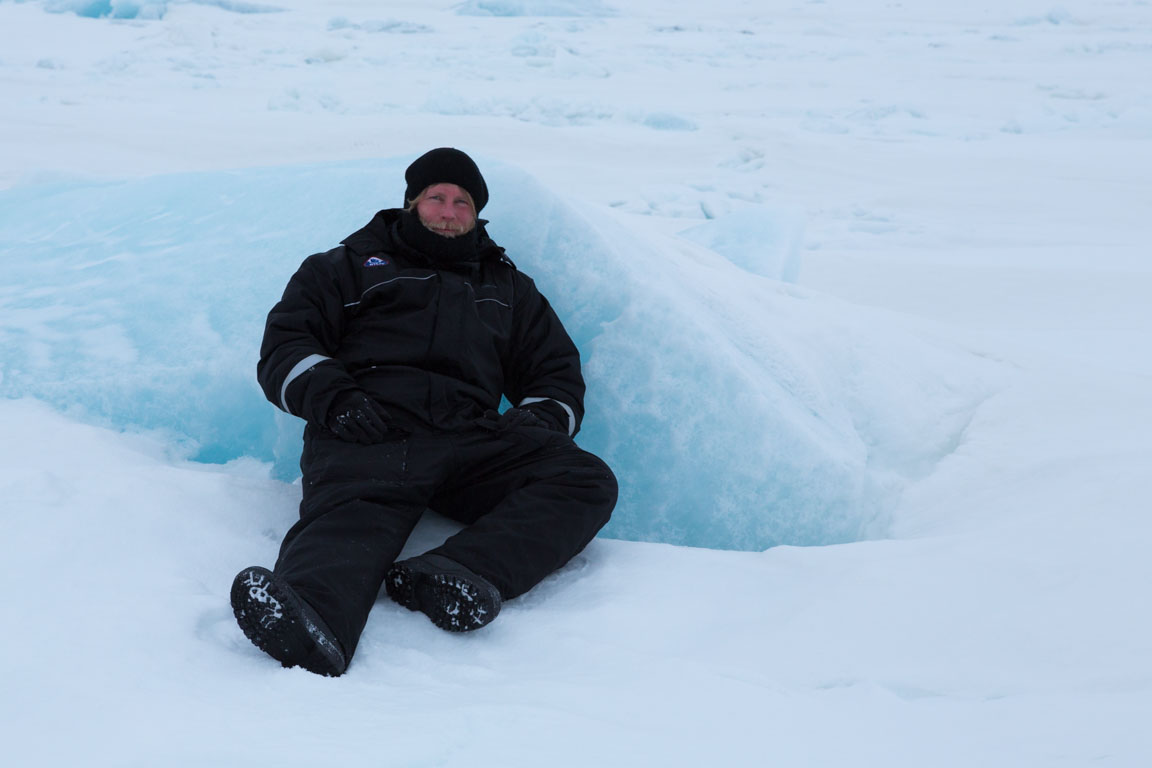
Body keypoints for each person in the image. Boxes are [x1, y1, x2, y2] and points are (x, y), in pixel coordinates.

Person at [230, 148, 618, 677]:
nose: (449, 211)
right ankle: (312, 617)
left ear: (476, 215)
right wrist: (336, 400)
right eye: (437, 197)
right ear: (412, 202)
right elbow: (286, 345)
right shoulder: (345, 266)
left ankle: (455, 571)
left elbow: (554, 369)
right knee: (350, 520)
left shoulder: (508, 288)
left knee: (584, 480)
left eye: (463, 202)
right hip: (371, 429)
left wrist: (543, 417)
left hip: (471, 437)